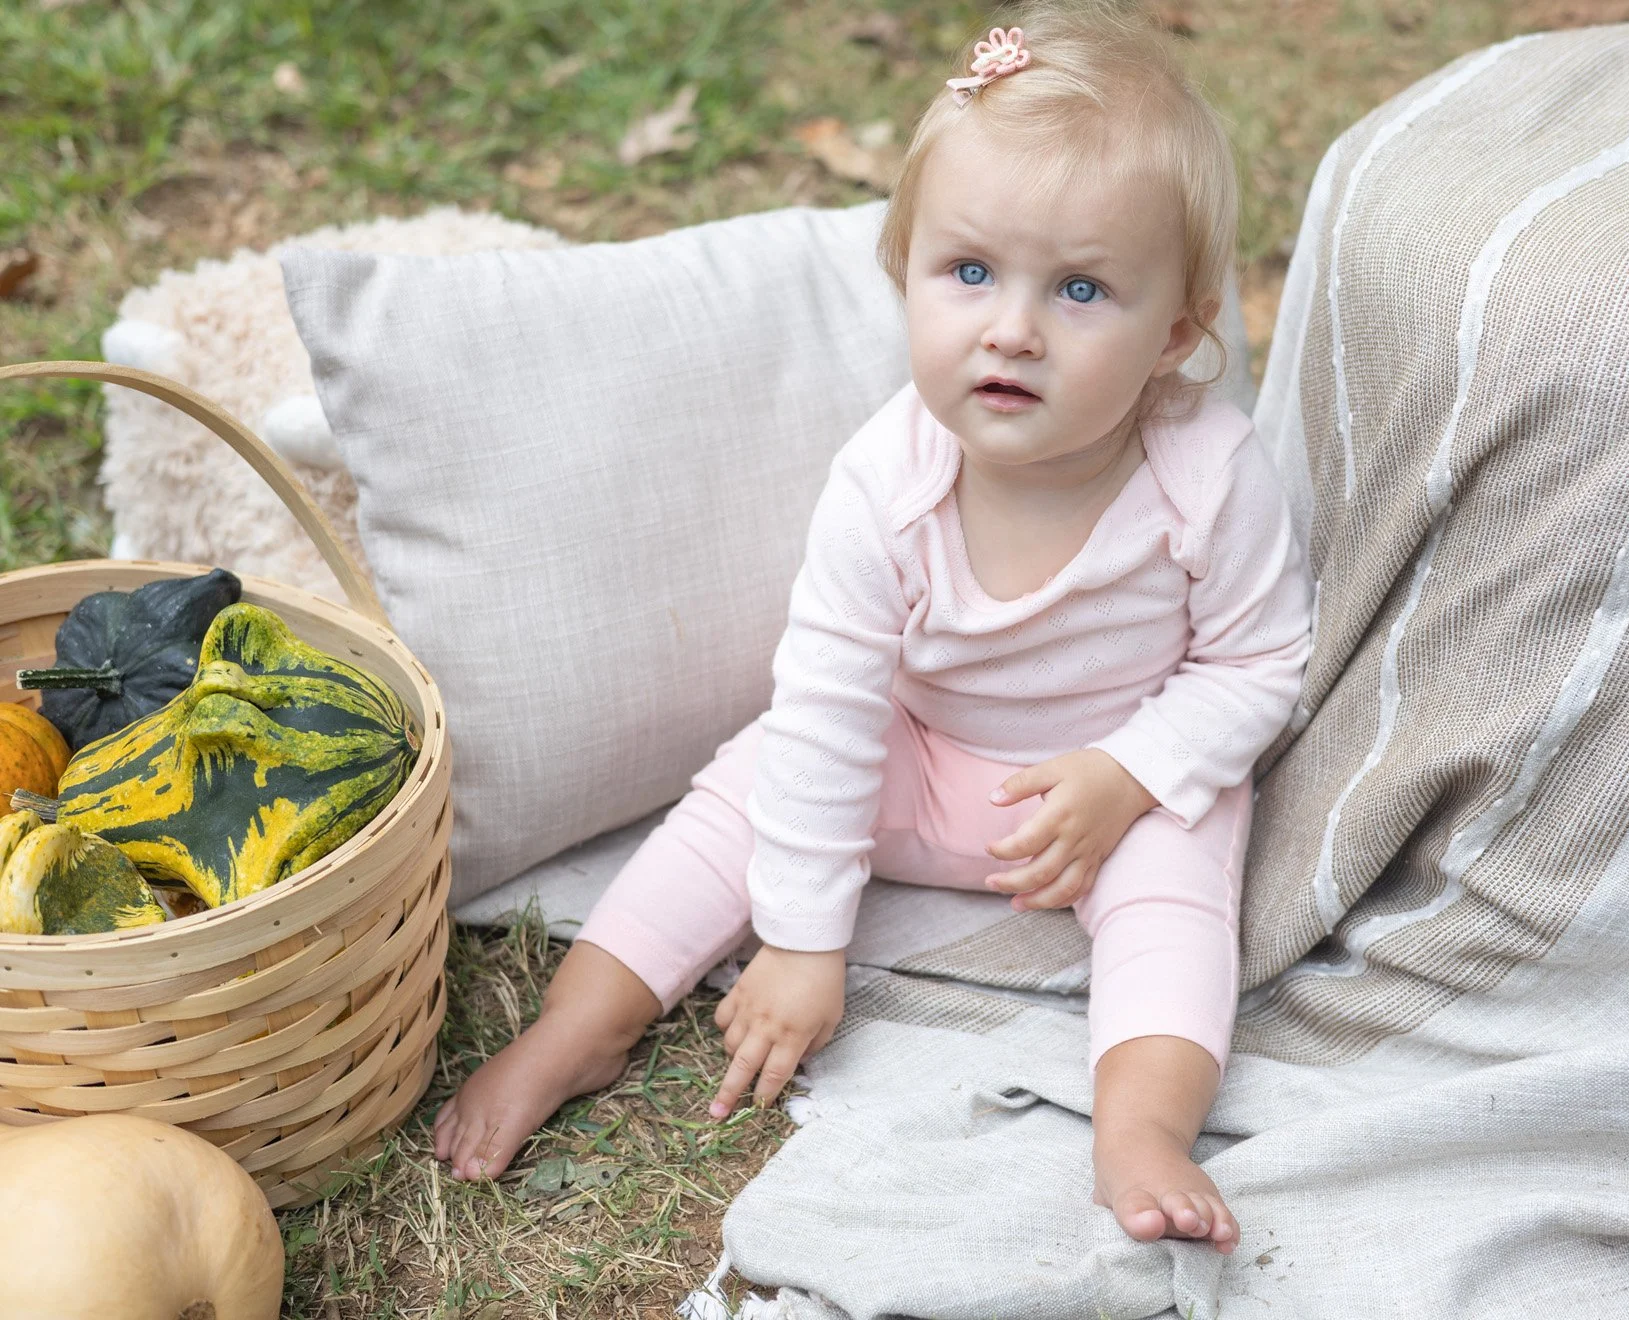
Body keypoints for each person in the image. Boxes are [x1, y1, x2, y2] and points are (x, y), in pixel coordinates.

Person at [434, 0, 1311, 1252]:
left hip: (1101, 795)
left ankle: (1142, 1126)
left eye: (1079, 289)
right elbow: (835, 710)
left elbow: (1260, 658)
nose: (1012, 327)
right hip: (923, 758)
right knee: (754, 787)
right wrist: (801, 939)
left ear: (1179, 332)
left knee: (1186, 880)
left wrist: (1131, 775)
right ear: (903, 269)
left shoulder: (1207, 473)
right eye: (970, 272)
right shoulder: (884, 484)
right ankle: (579, 1027)